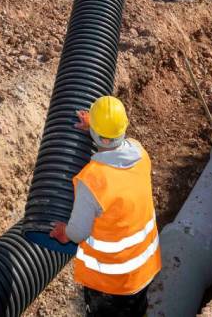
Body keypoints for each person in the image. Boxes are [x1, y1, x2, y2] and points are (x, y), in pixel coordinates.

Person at [49, 96, 161, 316]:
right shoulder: (140, 154)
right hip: (143, 268)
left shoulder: (92, 181)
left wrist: (64, 233)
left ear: (97, 135)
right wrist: (98, 128)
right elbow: (113, 143)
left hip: (112, 282)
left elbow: (78, 232)